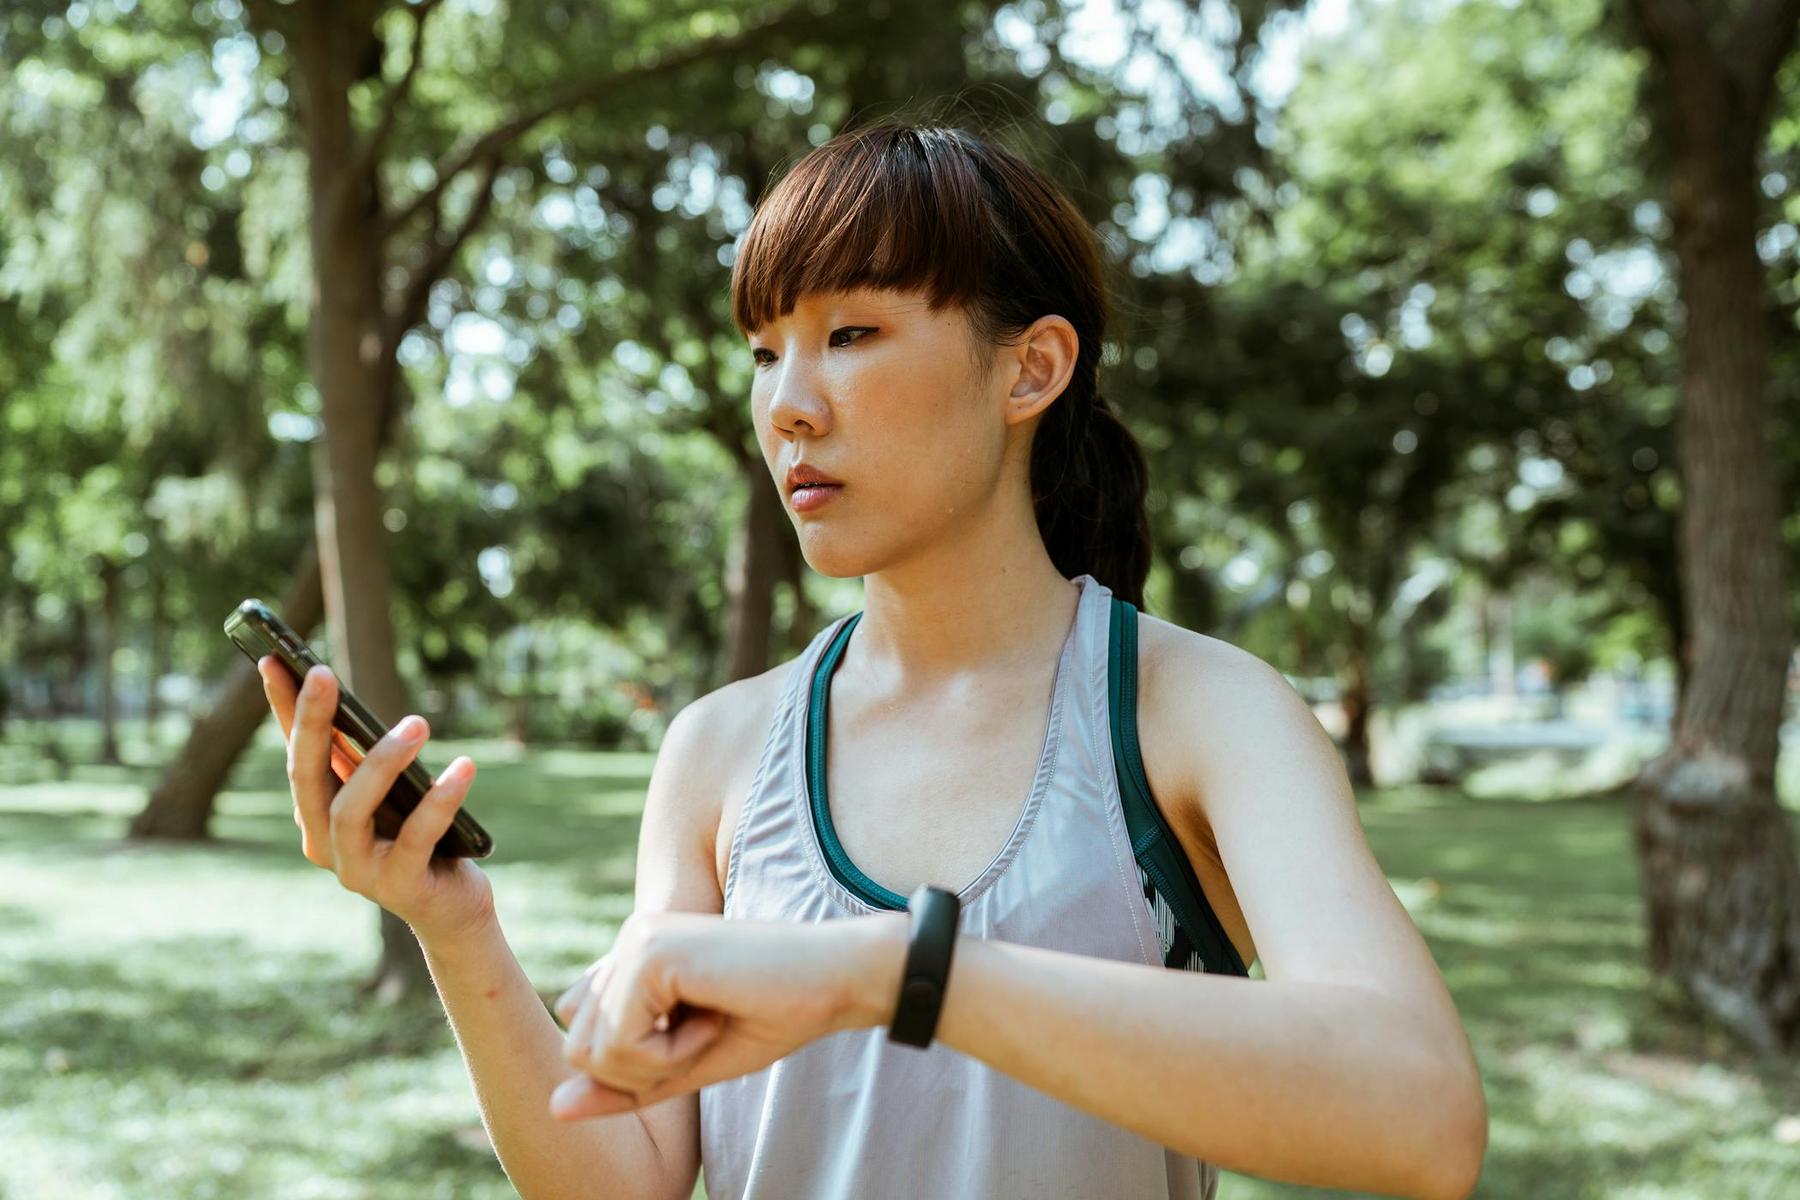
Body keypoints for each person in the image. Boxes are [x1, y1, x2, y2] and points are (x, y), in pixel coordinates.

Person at [258, 119, 1487, 1200]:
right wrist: (454, 925)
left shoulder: (1196, 711)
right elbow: (620, 1180)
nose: (789, 403)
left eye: (850, 332)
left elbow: (1423, 1119)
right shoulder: (720, 749)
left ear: (1031, 368)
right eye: (762, 350)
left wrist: (894, 973)